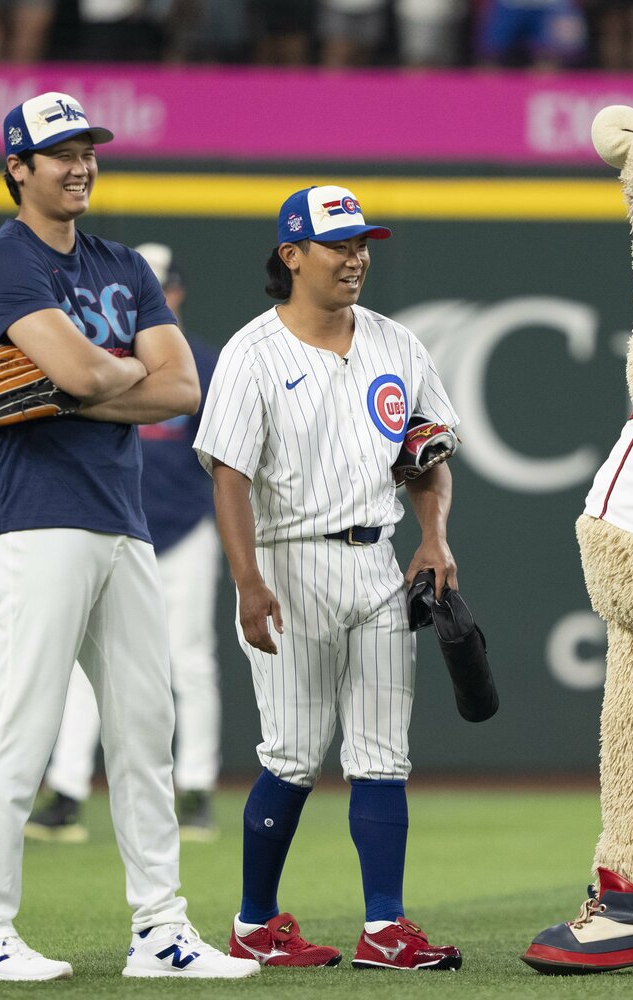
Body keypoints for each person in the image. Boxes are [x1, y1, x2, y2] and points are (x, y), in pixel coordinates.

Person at [0, 91, 259, 982]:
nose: (81, 164)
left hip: (120, 517)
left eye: (88, 149)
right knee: (23, 726)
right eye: (61, 152)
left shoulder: (120, 261)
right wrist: (103, 375)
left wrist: (71, 387)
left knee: (144, 727)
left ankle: (160, 931)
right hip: (32, 516)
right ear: (18, 169)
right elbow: (96, 370)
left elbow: (182, 388)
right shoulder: (5, 261)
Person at [193, 185, 464, 972]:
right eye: (338, 245)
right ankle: (254, 923)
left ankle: (385, 928)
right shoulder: (253, 352)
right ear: (292, 254)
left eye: (362, 244)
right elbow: (229, 477)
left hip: (378, 560)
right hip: (290, 561)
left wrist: (434, 538)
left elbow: (427, 454)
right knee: (293, 752)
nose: (356, 258)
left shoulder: (395, 344)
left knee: (382, 754)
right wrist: (247, 581)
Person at [25, 242, 224, 846]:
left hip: (184, 527)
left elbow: (222, 457)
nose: (151, 297)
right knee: (89, 662)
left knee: (189, 660)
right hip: (112, 521)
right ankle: (66, 791)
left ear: (177, 292)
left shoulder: (200, 361)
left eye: (160, 287)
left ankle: (196, 788)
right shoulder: (94, 358)